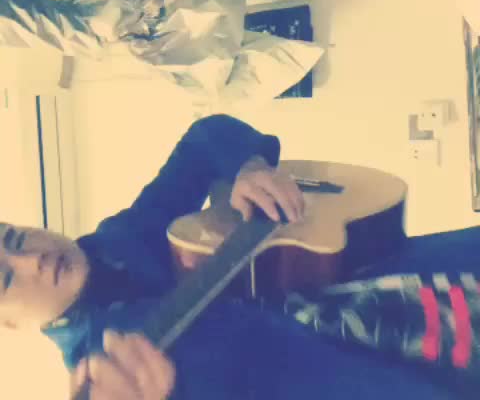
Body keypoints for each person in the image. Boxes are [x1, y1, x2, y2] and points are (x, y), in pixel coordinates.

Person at [0, 114, 476, 399]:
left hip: (430, 274)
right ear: (8, 325)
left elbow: (205, 138)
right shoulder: (108, 374)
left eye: (14, 238)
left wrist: (247, 168)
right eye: (5, 279)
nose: (33, 259)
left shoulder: (122, 240)